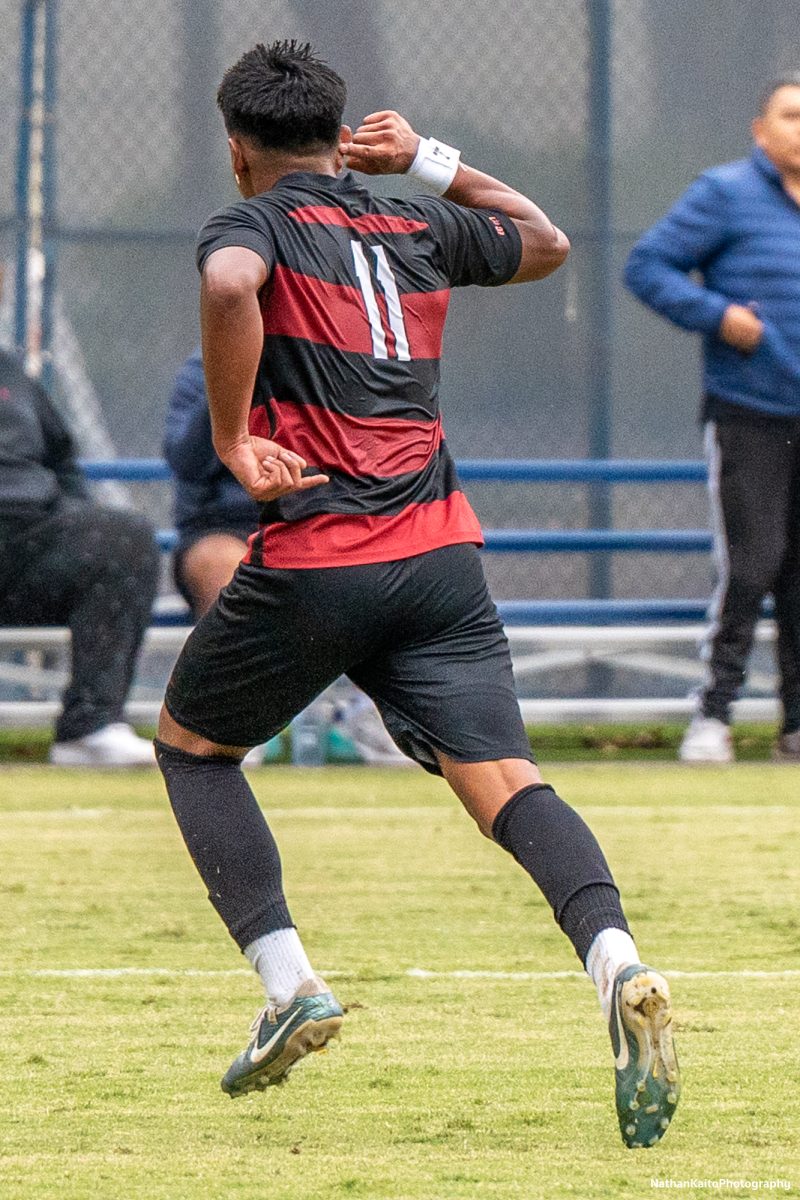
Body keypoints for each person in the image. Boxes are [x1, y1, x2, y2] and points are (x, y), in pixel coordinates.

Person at [154, 40, 679, 1147]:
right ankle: (617, 963)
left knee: (192, 749)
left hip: (319, 559)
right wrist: (431, 163)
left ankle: (289, 981)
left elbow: (225, 284)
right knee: (504, 783)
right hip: (440, 561)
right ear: (342, 137)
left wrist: (233, 438)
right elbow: (545, 243)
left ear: (238, 149)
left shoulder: (251, 223)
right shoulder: (413, 221)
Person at [625, 74, 800, 765]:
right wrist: (719, 316)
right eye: (790, 115)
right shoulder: (725, 193)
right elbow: (647, 266)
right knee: (754, 566)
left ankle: (796, 726)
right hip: (750, 415)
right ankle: (713, 716)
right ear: (760, 130)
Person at [163, 347, 412, 766]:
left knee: (396, 559)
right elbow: (185, 458)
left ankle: (374, 716)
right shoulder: (204, 365)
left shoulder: (334, 361)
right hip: (222, 527)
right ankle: (230, 720)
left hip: (318, 523)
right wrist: (234, 379)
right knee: (223, 568)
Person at [0, 347, 158, 765]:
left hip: (28, 539)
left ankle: (91, 729)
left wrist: (70, 509)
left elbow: (62, 461)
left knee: (125, 538)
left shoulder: (11, 372)